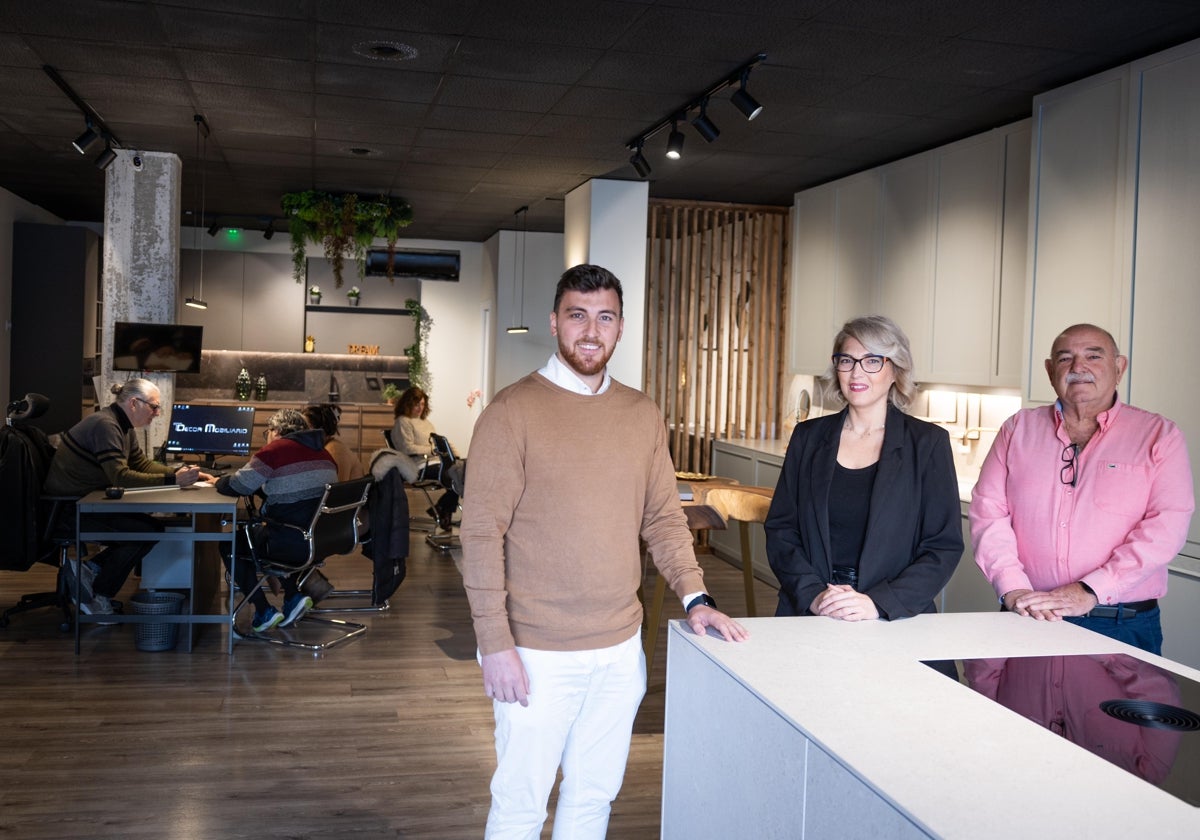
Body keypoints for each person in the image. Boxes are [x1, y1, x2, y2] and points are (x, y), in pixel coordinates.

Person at [459, 263, 749, 840]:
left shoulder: (641, 414)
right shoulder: (511, 412)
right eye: (577, 316)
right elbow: (480, 534)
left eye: (605, 318)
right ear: (554, 323)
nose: (591, 331)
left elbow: (665, 520)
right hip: (535, 652)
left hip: (620, 652)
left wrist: (697, 598)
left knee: (592, 799)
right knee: (520, 804)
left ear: (620, 329)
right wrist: (494, 643)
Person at [969, 323, 1194, 654]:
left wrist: (1091, 590)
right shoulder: (1017, 429)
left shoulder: (1159, 435)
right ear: (1050, 370)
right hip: (1028, 614)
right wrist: (1013, 589)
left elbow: (1166, 528)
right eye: (1065, 358)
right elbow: (988, 513)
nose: (1078, 368)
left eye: (1093, 356)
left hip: (1120, 624)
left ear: (1120, 367)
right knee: (1017, 707)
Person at [764, 315, 963, 623]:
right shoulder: (808, 437)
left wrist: (879, 603)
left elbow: (942, 546)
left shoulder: (927, 444)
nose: (857, 372)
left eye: (872, 361)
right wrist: (814, 595)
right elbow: (781, 530)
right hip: (811, 610)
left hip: (893, 616)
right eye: (847, 360)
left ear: (895, 370)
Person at [44, 379, 213, 616]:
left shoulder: (122, 425)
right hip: (69, 510)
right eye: (153, 407)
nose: (157, 413)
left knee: (149, 527)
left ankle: (89, 570)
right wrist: (173, 481)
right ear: (134, 403)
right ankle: (98, 596)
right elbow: (120, 476)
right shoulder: (106, 425)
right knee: (145, 531)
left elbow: (139, 464)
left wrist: (179, 473)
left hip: (88, 502)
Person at [215, 408, 338, 632]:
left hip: (289, 541)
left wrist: (216, 481)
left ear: (276, 430)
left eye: (267, 432)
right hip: (321, 540)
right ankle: (292, 596)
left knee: (230, 543)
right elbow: (296, 489)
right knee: (273, 536)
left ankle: (263, 610)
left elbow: (238, 486)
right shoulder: (324, 454)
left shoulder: (274, 451)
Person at [391, 386, 458, 530]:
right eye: (416, 404)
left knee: (461, 472)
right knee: (456, 475)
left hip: (433, 463)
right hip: (417, 466)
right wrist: (433, 450)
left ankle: (442, 509)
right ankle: (442, 510)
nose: (420, 407)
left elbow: (435, 444)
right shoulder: (403, 421)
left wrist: (452, 452)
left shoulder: (427, 423)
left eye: (422, 404)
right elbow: (407, 448)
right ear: (408, 404)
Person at [303, 403, 364, 481]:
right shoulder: (326, 447)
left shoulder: (335, 451)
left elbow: (338, 488)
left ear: (321, 431)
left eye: (306, 428)